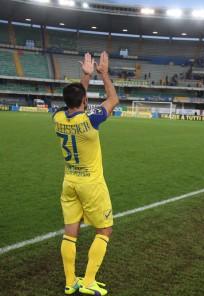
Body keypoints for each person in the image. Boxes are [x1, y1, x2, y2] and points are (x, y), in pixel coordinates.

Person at [52, 52, 119, 296]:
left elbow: (75, 98)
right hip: (90, 184)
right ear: (83, 101)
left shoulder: (57, 117)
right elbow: (113, 99)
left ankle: (71, 282)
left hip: (69, 182)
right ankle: (89, 280)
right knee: (105, 231)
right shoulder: (91, 120)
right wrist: (103, 74)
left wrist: (85, 76)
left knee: (70, 233)